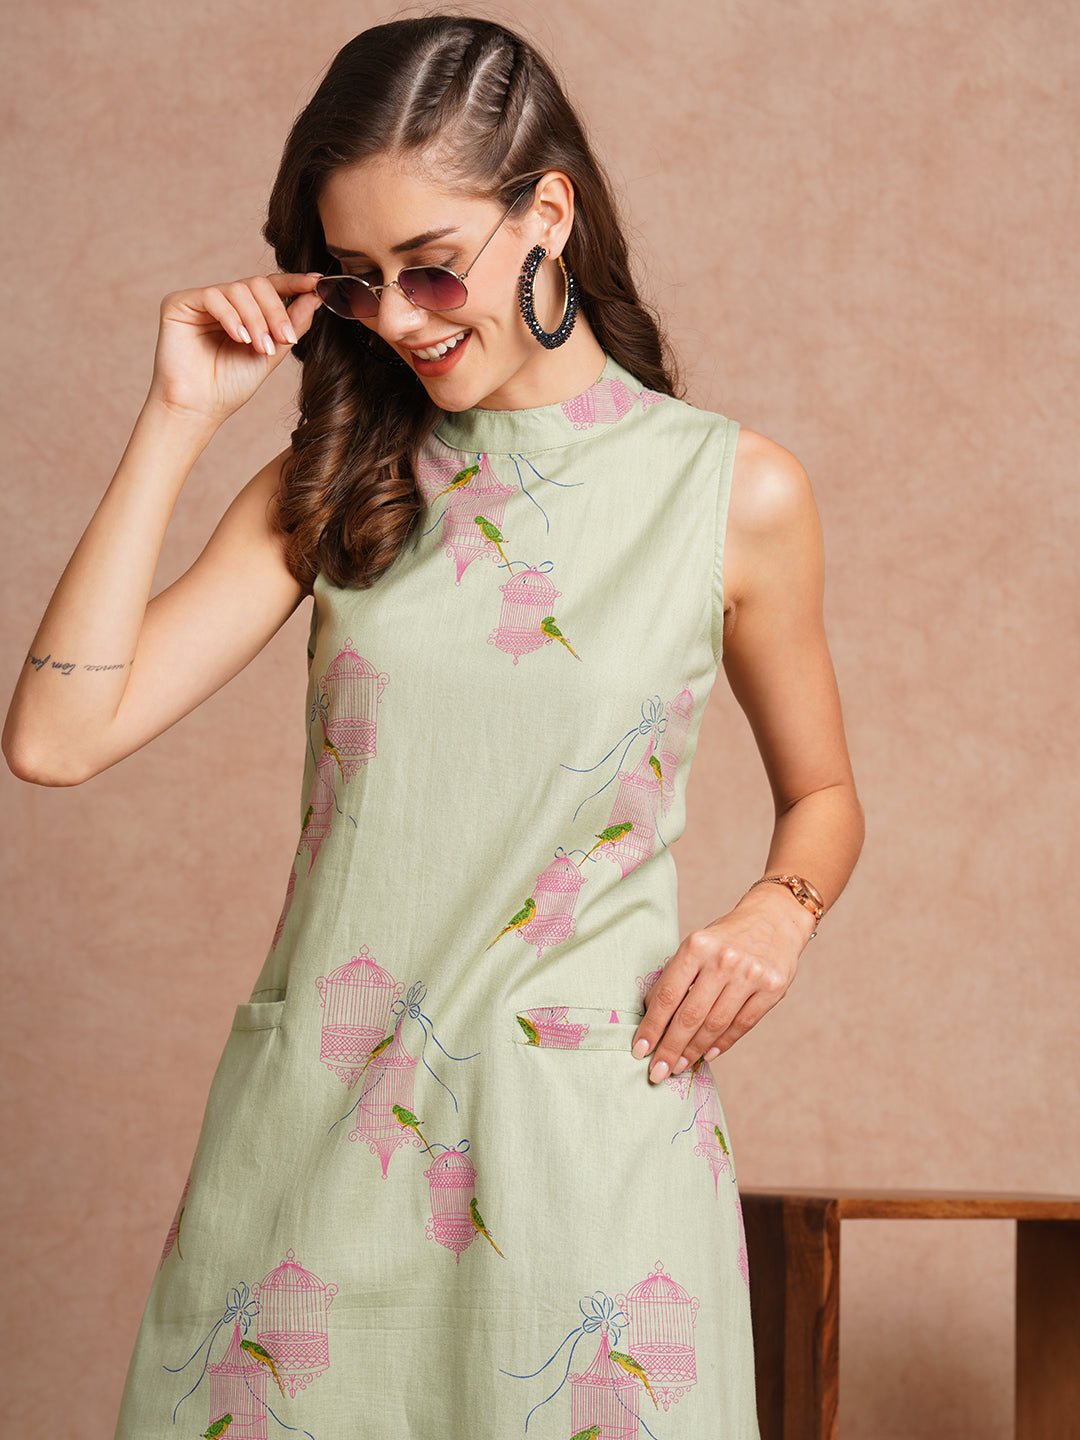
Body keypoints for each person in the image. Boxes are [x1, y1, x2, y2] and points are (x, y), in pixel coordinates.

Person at [4, 15, 862, 1439]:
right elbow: (55, 736)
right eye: (357, 278)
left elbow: (823, 794)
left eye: (434, 266)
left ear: (549, 216)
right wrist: (175, 417)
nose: (400, 318)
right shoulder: (336, 481)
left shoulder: (729, 492)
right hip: (316, 1154)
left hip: (583, 1168)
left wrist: (782, 909)